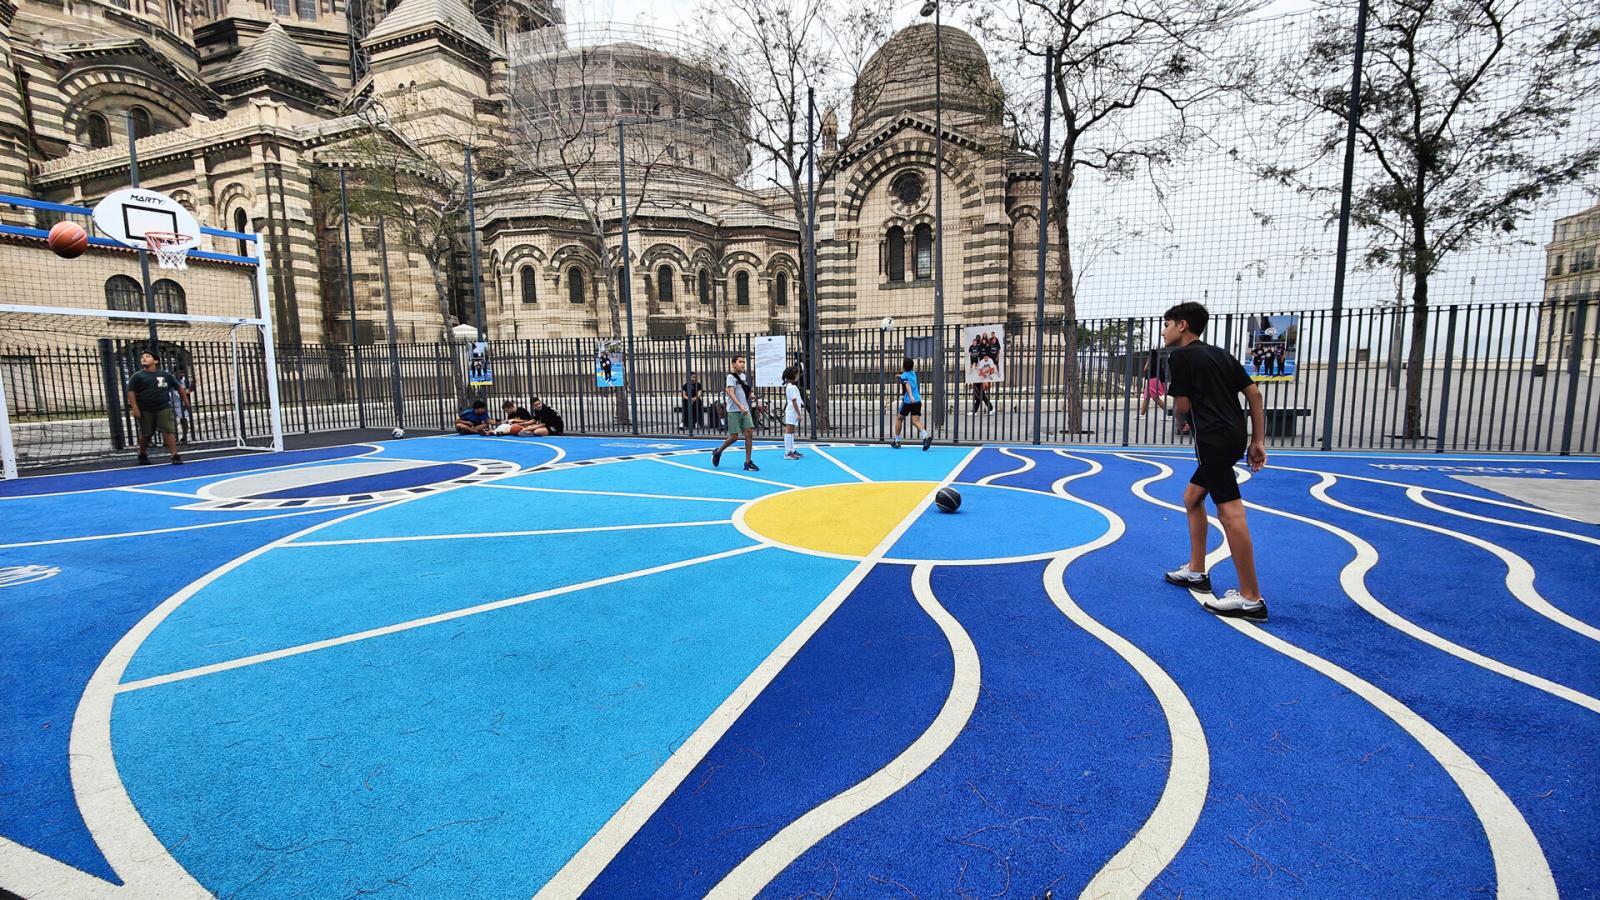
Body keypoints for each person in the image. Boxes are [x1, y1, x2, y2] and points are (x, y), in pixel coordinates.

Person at [1159, 301, 1269, 622]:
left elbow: (1181, 404)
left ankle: (1250, 598)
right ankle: (1196, 571)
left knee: (1230, 513)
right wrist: (1258, 440)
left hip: (1213, 439)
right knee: (1192, 497)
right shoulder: (1221, 354)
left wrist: (1181, 419)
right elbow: (1255, 395)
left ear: (1182, 326)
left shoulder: (1180, 357)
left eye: (1166, 324)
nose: (1163, 331)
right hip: (1233, 436)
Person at [127, 350, 189, 464]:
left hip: (163, 406)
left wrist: (185, 401)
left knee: (168, 430)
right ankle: (142, 453)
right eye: (142, 357)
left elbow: (179, 387)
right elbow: (131, 392)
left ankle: (174, 455)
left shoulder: (165, 375)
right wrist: (135, 407)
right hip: (145, 408)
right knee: (146, 433)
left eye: (147, 356)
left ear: (155, 360)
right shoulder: (138, 376)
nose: (144, 358)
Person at [712, 355, 759, 471]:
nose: (742, 364)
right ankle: (718, 452)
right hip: (734, 410)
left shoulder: (744, 377)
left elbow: (745, 390)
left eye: (744, 362)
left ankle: (748, 462)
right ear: (733, 364)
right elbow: (731, 393)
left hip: (745, 410)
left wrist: (750, 395)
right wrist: (740, 406)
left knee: (749, 434)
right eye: (740, 362)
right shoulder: (730, 377)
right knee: (734, 437)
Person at [891, 357, 932, 451]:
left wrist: (910, 395)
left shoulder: (904, 376)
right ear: (912, 366)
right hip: (917, 401)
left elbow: (907, 384)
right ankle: (926, 436)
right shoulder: (913, 374)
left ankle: (897, 441)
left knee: (899, 418)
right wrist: (899, 376)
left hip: (908, 401)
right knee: (915, 421)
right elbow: (906, 377)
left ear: (903, 366)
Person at [781, 365, 804, 460]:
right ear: (792, 376)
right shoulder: (791, 388)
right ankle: (788, 452)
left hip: (792, 411)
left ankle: (792, 449)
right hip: (792, 412)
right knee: (789, 431)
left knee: (791, 431)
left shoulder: (790, 386)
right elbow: (794, 401)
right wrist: (799, 414)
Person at [170, 363, 194, 444]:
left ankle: (184, 437)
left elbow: (187, 392)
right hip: (171, 402)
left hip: (181, 403)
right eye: (180, 372)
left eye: (183, 373)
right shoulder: (170, 379)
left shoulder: (185, 380)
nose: (181, 374)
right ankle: (174, 438)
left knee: (183, 420)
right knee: (171, 421)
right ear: (175, 372)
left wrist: (191, 388)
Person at [1139, 348, 1166, 416]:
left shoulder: (1151, 360)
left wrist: (1148, 359)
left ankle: (1168, 413)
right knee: (1146, 398)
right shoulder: (1158, 360)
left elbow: (1145, 368)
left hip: (1152, 381)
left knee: (1156, 398)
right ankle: (1142, 415)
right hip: (1153, 380)